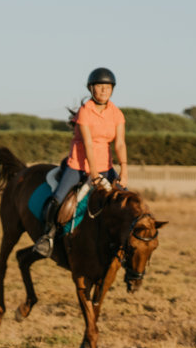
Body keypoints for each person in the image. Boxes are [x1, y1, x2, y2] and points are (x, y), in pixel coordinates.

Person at [34, 67, 127, 259]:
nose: (104, 91)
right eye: (100, 87)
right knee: (57, 199)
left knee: (125, 202)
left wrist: (124, 169)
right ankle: (47, 237)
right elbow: (88, 144)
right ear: (91, 89)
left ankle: (124, 244)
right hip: (78, 165)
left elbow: (120, 143)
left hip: (106, 167)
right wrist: (93, 173)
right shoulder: (85, 111)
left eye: (108, 87)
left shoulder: (117, 113)